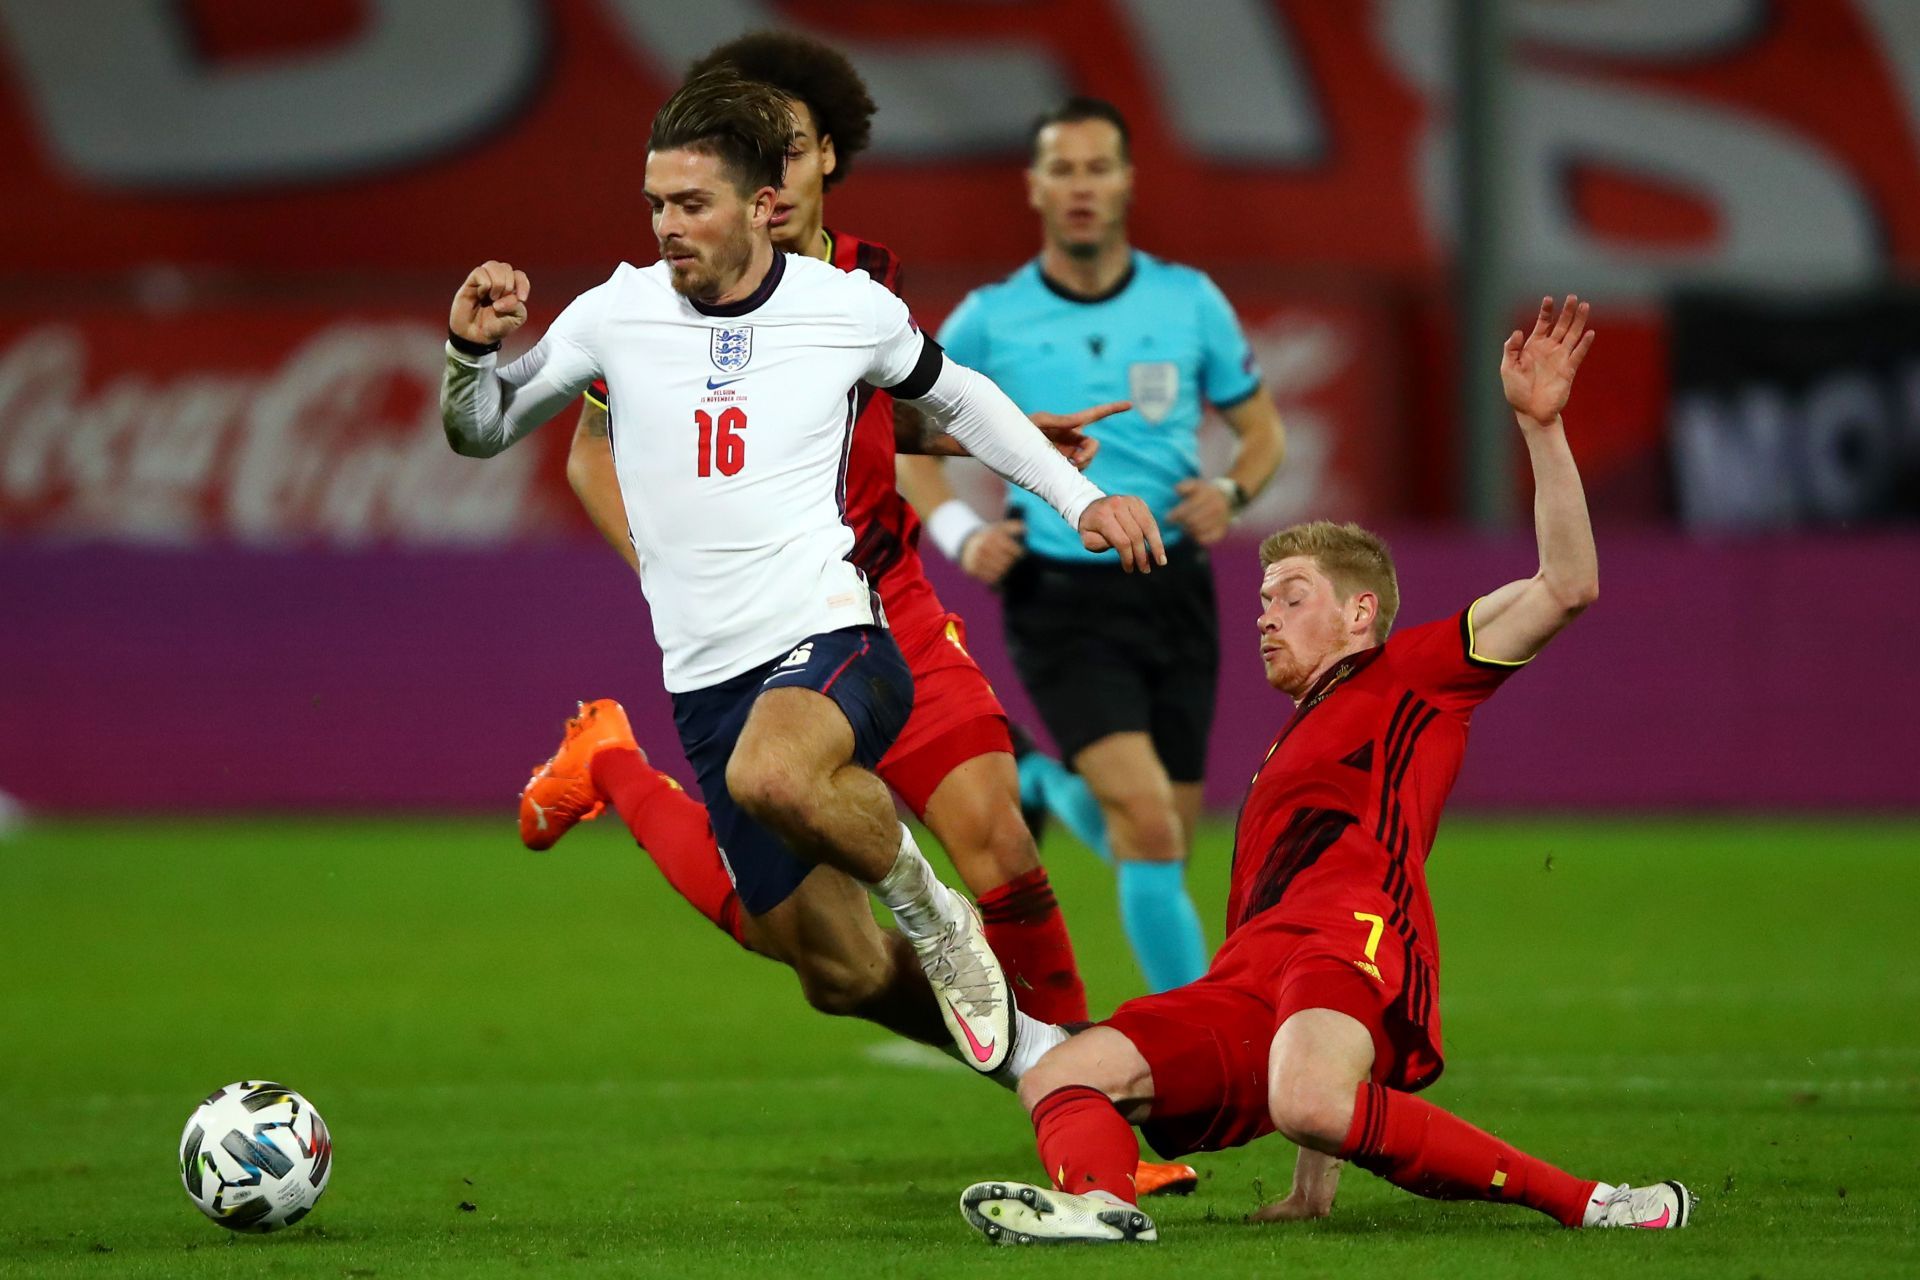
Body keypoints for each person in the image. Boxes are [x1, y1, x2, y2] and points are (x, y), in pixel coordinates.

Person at [536, 34, 1198, 1195]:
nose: (773, 181)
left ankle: (1086, 1113)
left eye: (787, 151)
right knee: (823, 959)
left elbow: (901, 408)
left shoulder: (860, 293)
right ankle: (616, 768)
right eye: (755, 158)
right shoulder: (659, 308)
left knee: (992, 831)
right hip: (735, 628)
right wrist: (662, 569)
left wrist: (1027, 448)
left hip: (873, 602)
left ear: (819, 162)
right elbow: (591, 447)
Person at [956, 297, 1698, 1244]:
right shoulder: (1286, 747)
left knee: (1309, 1096)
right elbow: (1309, 1015)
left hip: (1355, 935)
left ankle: (1597, 1204)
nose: (1265, 615)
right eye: (1263, 599)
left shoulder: (1414, 675)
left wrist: (1540, 426)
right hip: (1254, 976)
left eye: (1291, 597)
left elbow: (1567, 586)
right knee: (1060, 1075)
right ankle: (1103, 1208)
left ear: (1360, 614)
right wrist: (1313, 1187)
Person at [900, 97, 1288, 994]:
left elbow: (1262, 431)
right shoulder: (990, 320)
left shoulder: (1189, 301)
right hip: (1061, 597)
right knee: (1149, 825)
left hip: (1174, 588)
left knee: (1164, 839)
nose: (1082, 186)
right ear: (1034, 187)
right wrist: (960, 531)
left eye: (1097, 167)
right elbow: (904, 437)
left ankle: (1042, 788)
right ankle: (1201, 1036)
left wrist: (1231, 491)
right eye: (1063, 170)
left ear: (1126, 183)